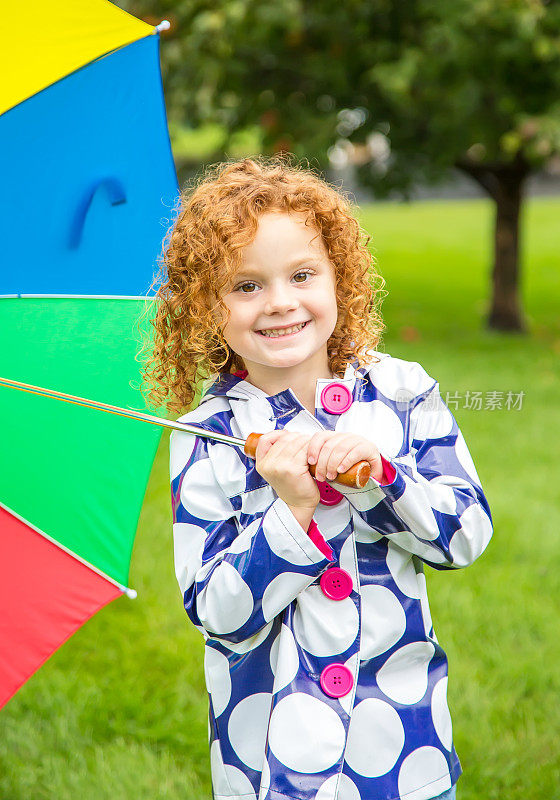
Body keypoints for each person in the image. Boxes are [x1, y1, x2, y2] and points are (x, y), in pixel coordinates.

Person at [141, 155, 493, 800]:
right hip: (270, 757)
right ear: (203, 307)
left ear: (341, 277)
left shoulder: (403, 391)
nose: (280, 303)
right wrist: (290, 512)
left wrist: (382, 477)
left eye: (302, 274)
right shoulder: (206, 435)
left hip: (400, 745)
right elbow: (217, 612)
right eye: (246, 285)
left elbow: (465, 534)